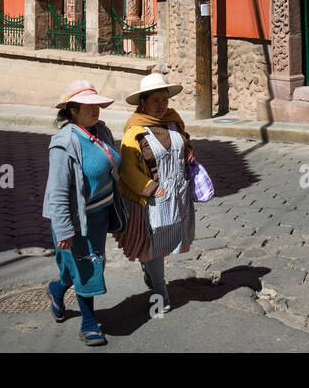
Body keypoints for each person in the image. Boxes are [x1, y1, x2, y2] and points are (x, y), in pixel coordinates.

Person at [41, 80, 120, 347]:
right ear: (73, 111)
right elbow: (59, 191)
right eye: (88, 106)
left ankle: (57, 288)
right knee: (88, 265)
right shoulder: (64, 143)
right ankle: (89, 324)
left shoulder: (101, 132)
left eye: (97, 105)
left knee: (79, 265)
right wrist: (63, 230)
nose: (96, 110)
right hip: (76, 221)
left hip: (99, 216)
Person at [113, 72, 196, 314]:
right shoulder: (135, 131)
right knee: (154, 243)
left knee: (166, 239)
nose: (162, 105)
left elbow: (183, 141)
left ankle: (150, 270)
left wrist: (189, 151)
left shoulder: (173, 121)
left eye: (165, 99)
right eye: (156, 101)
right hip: (149, 197)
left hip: (177, 194)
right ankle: (160, 290)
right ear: (143, 103)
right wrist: (152, 189)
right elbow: (128, 169)